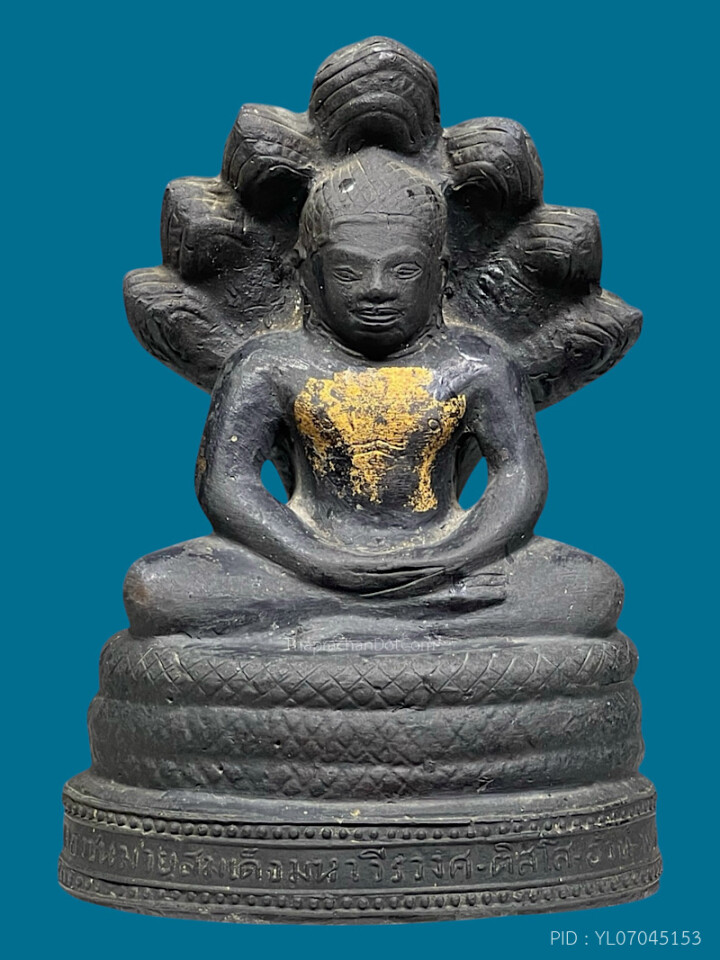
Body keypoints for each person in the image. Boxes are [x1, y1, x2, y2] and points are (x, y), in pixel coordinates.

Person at [124, 149, 622, 645]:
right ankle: (410, 626)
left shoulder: (478, 364)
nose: (377, 289)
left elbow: (518, 477)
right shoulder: (267, 365)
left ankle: (335, 629)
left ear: (441, 274)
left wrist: (453, 558)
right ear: (306, 273)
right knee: (156, 589)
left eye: (404, 271)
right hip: (301, 563)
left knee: (588, 589)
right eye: (348, 272)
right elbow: (227, 483)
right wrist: (317, 561)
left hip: (446, 563)